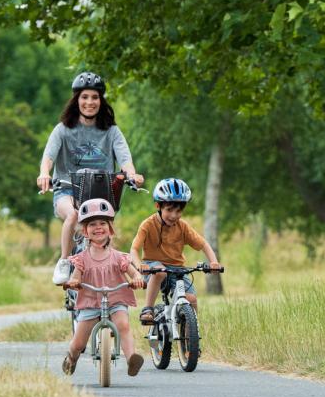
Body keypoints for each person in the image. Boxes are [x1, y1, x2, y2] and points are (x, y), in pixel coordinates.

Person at [36, 71, 144, 285]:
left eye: (95, 97)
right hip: (67, 190)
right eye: (85, 97)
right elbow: (48, 157)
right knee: (74, 216)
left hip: (101, 193)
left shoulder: (111, 131)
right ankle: (65, 262)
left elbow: (125, 159)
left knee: (104, 231)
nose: (90, 102)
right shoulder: (63, 130)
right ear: (76, 100)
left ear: (101, 101)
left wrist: (132, 175)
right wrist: (44, 173)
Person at [59, 198, 146, 377]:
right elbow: (76, 277)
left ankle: (131, 359)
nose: (98, 227)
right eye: (92, 224)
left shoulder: (118, 257)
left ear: (110, 229)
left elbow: (133, 272)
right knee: (79, 343)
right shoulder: (82, 258)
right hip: (91, 301)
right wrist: (74, 282)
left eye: (102, 223)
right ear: (85, 231)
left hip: (115, 299)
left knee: (123, 325)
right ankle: (71, 359)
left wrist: (137, 278)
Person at [130, 178, 223, 324]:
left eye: (178, 211)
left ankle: (191, 340)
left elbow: (203, 244)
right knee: (160, 270)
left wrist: (214, 262)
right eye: (169, 210)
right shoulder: (147, 225)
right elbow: (134, 249)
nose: (174, 215)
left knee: (191, 299)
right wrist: (139, 265)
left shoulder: (182, 226)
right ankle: (148, 309)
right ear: (158, 206)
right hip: (153, 267)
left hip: (177, 269)